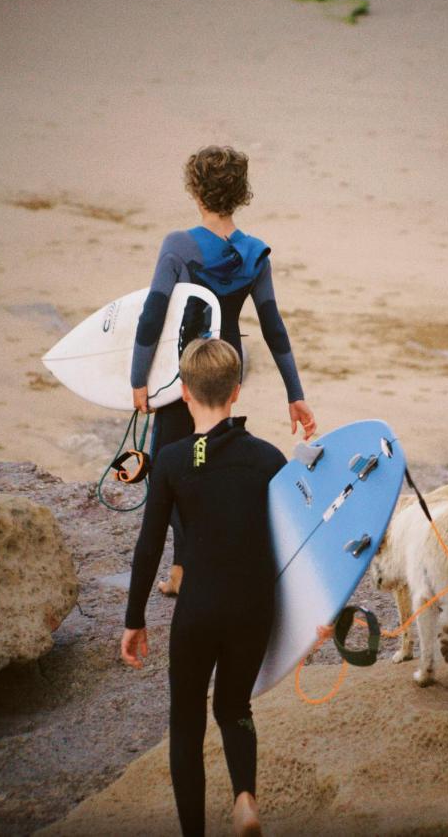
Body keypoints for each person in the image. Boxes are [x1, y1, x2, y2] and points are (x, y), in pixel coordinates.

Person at [131, 145, 315, 595]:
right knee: (204, 454)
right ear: (240, 192)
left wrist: (138, 377)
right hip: (226, 369)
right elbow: (274, 329)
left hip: (185, 372)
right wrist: (295, 393)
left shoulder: (178, 245)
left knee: (170, 464)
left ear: (196, 191)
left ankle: (185, 567)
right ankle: (189, 564)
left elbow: (153, 316)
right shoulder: (255, 253)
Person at [121, 338, 286, 836]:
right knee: (234, 706)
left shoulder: (171, 460)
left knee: (187, 722)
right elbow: (296, 545)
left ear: (186, 393)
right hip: (252, 610)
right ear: (236, 392)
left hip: (199, 610)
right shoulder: (269, 459)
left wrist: (134, 620)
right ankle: (244, 798)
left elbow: (149, 547)